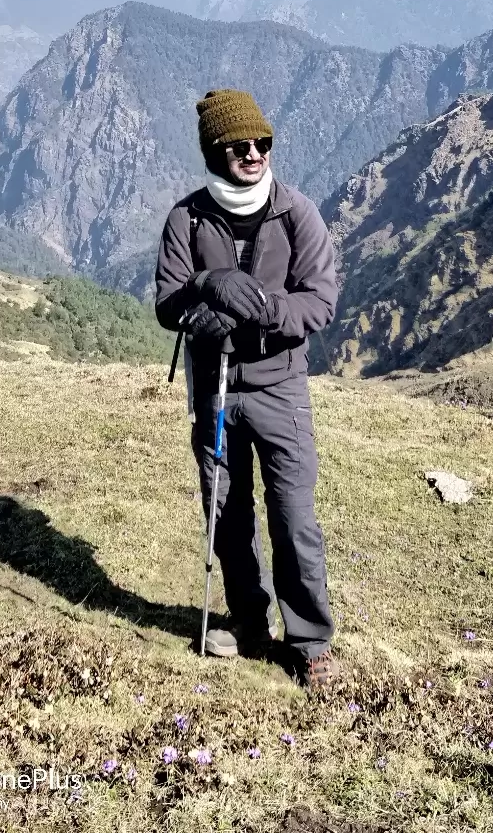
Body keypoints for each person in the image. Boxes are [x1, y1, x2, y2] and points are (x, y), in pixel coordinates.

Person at [155, 88, 341, 690]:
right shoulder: (186, 218)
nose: (254, 154)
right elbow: (168, 302)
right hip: (212, 390)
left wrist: (259, 308)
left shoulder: (297, 214)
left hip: (280, 390)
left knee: (293, 518)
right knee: (226, 516)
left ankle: (310, 641)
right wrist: (209, 286)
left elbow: (320, 302)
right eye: (240, 146)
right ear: (215, 150)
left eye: (263, 143)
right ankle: (249, 624)